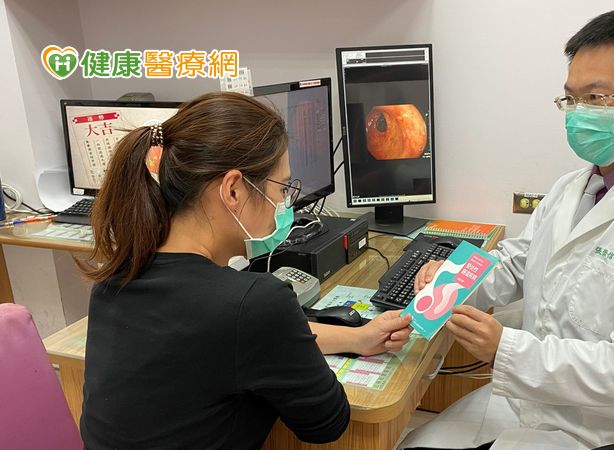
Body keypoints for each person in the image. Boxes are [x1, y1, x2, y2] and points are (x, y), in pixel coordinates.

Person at [400, 9, 614, 450]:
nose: (577, 114)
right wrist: (452, 279)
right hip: (532, 401)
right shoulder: (572, 188)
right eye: (571, 99)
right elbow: (517, 263)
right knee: (412, 444)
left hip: (607, 429)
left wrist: (504, 348)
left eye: (596, 98)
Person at [79, 92, 412, 449]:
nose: (285, 205)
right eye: (282, 189)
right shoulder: (254, 303)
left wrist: (357, 339)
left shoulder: (113, 282)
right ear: (234, 190)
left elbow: (250, 339)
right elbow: (327, 423)